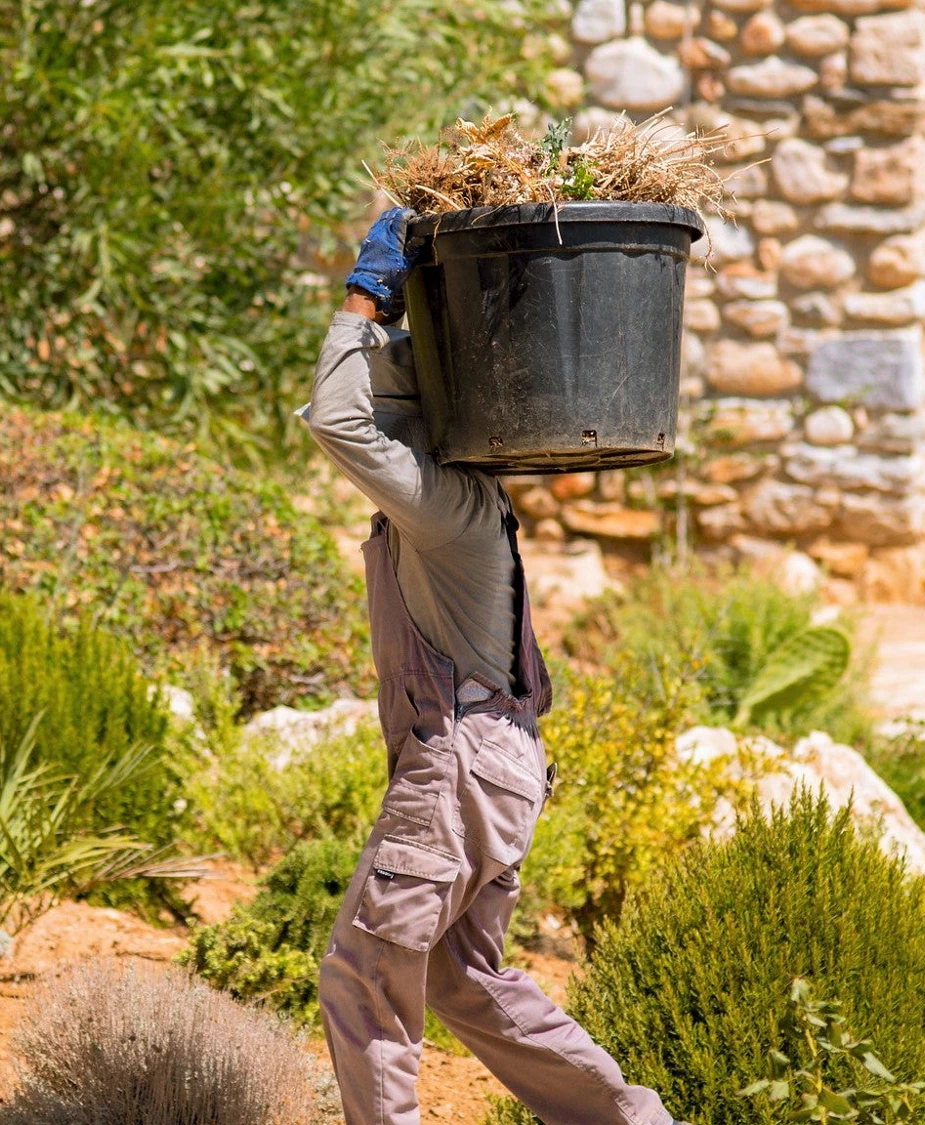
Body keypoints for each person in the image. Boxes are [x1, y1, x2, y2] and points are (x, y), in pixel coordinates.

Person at [302, 208, 678, 1125]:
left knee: (361, 977)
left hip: (460, 764)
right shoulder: (476, 504)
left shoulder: (447, 508)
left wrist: (362, 303)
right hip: (500, 769)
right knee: (459, 979)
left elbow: (337, 421)